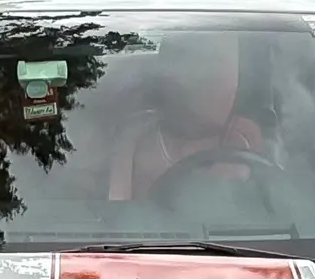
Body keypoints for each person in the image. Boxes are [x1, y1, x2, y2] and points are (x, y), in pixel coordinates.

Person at [107, 31, 265, 201]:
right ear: (171, 77)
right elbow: (117, 211)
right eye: (206, 71)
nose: (218, 84)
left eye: (225, 70)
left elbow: (273, 201)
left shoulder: (245, 137)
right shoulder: (135, 137)